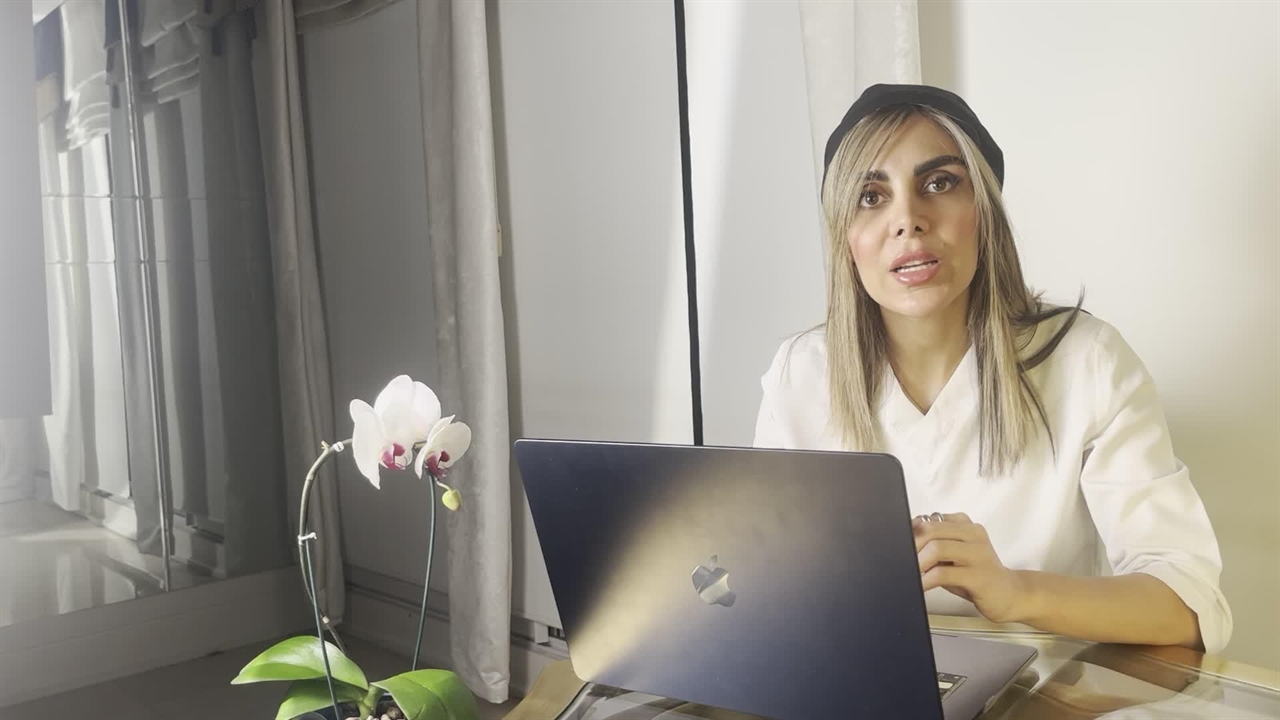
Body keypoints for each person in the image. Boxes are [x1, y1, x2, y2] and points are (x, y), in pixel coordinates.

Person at [752, 84, 1232, 655]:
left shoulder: (1088, 362)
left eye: (939, 183)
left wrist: (1015, 592)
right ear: (844, 237)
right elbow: (764, 589)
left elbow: (1189, 606)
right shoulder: (801, 374)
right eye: (870, 196)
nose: (907, 220)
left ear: (985, 210)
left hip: (1044, 693)